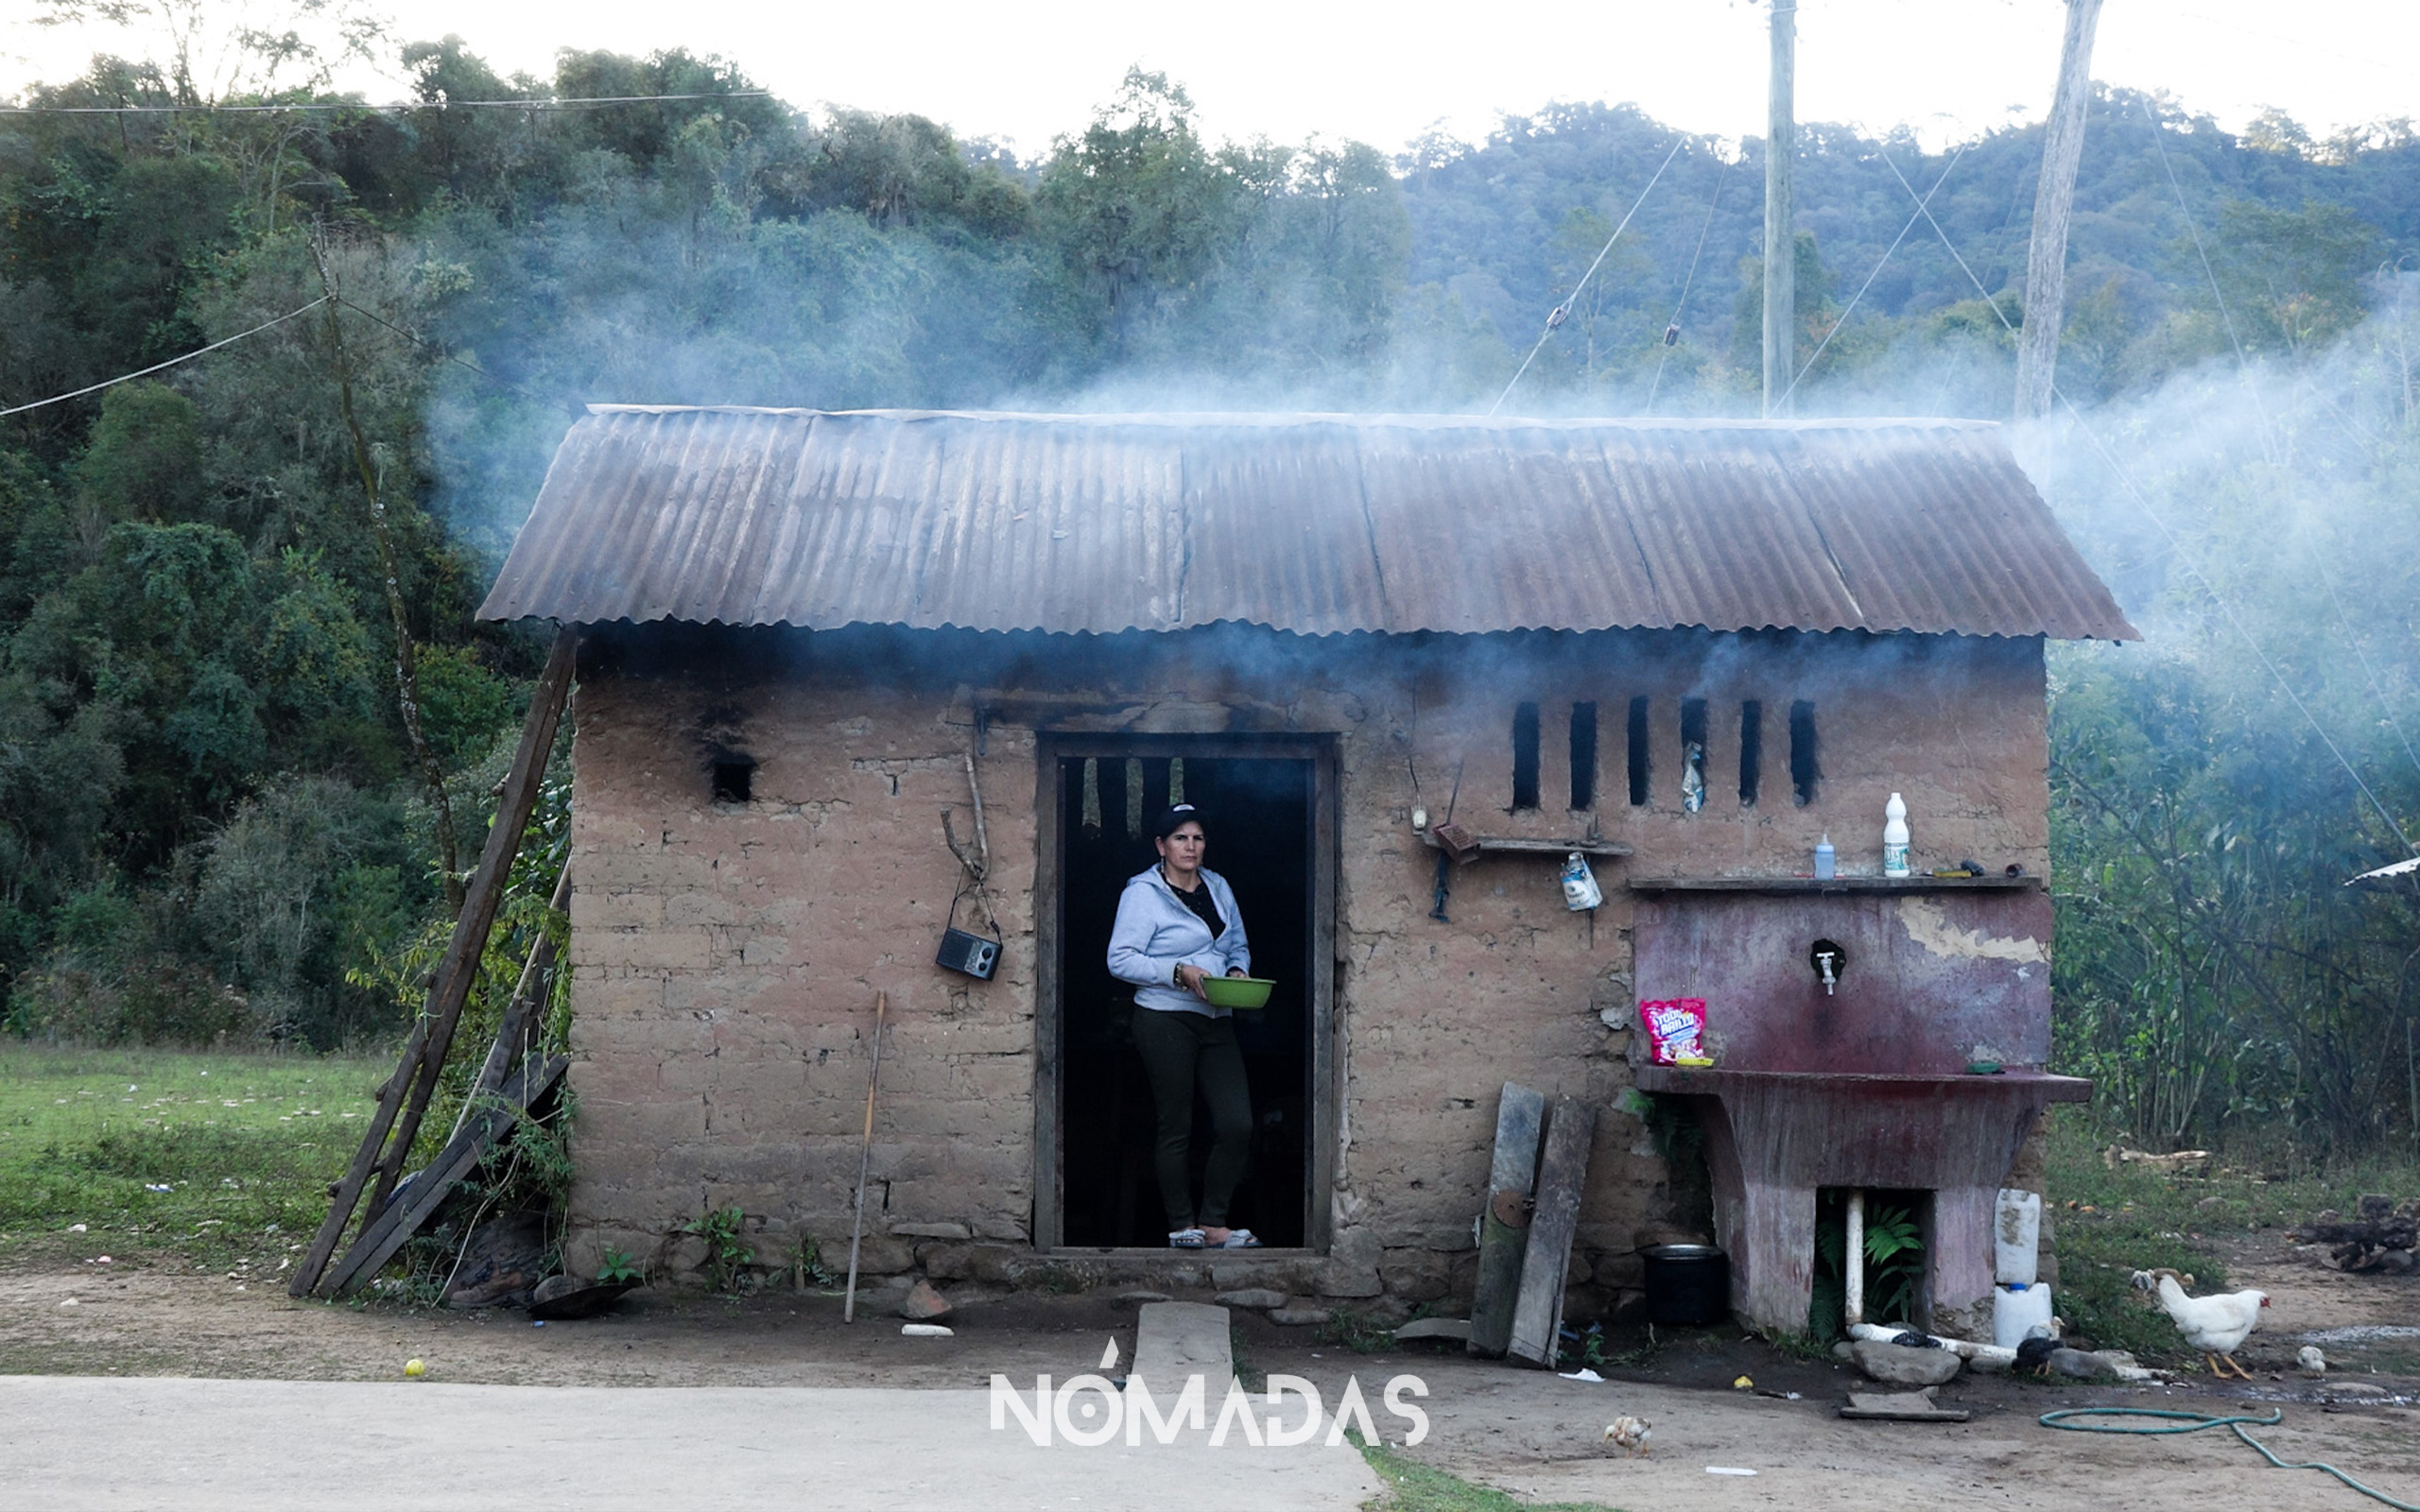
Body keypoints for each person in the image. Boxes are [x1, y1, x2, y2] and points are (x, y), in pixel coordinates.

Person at [1105, 803, 1263, 1249]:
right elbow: (1120, 959)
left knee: (1237, 1123)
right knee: (1177, 1122)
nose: (1189, 846)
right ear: (1161, 845)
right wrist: (1178, 971)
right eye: (1179, 838)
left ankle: (1214, 1222)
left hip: (1217, 1015)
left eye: (1196, 838)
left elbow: (1237, 944)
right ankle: (1181, 1225)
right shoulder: (1142, 893)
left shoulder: (1218, 886)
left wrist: (1235, 971)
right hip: (1163, 1017)